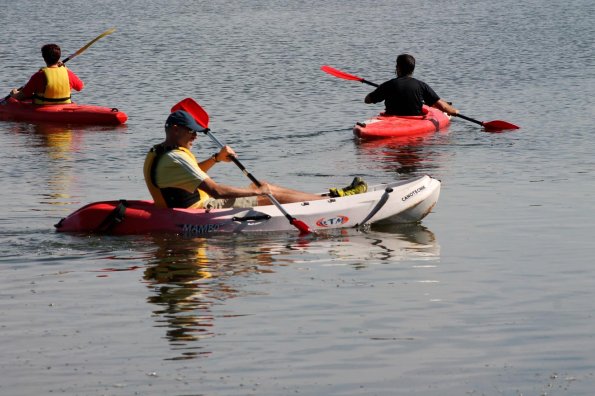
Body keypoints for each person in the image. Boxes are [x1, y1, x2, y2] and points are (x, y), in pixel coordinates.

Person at [143, 110, 367, 210]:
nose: (195, 136)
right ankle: (332, 204)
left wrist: (216, 159)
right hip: (200, 209)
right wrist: (257, 193)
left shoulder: (163, 151)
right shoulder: (175, 158)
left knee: (266, 187)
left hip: (196, 203)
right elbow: (216, 192)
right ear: (174, 129)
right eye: (190, 131)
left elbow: (189, 174)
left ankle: (324, 198)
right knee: (265, 193)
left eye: (196, 132)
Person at [364, 54, 458, 117]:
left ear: (398, 68)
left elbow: (367, 100)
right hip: (414, 119)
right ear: (412, 69)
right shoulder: (422, 85)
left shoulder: (389, 84)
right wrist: (455, 112)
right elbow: (444, 107)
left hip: (392, 119)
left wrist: (381, 90)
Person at [9, 44, 84, 104]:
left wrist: (14, 94)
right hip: (64, 105)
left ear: (44, 58)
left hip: (44, 107)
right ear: (59, 57)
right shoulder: (67, 73)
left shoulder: (39, 75)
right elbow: (80, 87)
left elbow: (22, 96)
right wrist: (66, 68)